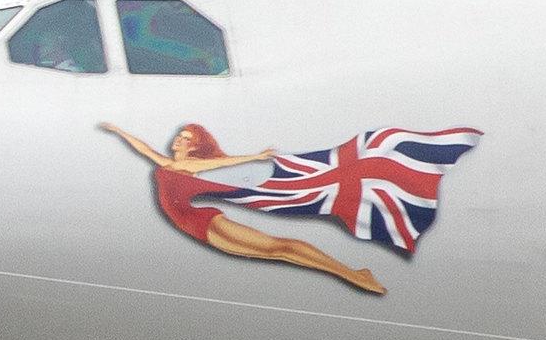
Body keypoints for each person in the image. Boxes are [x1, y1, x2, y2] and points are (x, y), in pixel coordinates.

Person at [100, 122, 386, 295]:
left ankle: (354, 274)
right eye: (180, 135)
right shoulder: (166, 163)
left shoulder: (192, 165)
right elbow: (142, 148)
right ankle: (353, 274)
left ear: (194, 146)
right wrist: (118, 130)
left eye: (186, 138)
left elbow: (222, 163)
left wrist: (257, 156)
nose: (179, 139)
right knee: (277, 253)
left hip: (204, 221)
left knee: (278, 247)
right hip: (194, 228)